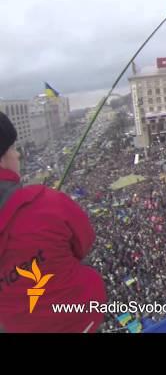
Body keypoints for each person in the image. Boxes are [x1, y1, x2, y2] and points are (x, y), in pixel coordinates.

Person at [0, 112, 106, 332]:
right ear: (2, 159)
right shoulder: (45, 201)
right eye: (12, 148)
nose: (18, 154)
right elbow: (84, 243)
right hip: (78, 319)